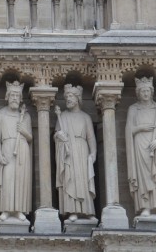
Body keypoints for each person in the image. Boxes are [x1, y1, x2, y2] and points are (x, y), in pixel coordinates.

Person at [125, 77, 156, 218]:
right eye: (142, 91)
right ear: (138, 92)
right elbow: (128, 131)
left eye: (147, 91)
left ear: (152, 92)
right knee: (143, 176)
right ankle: (145, 207)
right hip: (139, 145)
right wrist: (140, 128)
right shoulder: (133, 109)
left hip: (155, 145)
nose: (145, 93)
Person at [53, 84, 96, 221]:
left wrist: (93, 153)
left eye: (71, 96)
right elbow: (56, 135)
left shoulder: (85, 117)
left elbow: (91, 138)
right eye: (66, 97)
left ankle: (88, 212)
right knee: (70, 178)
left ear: (78, 98)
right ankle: (72, 211)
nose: (68, 99)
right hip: (68, 151)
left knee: (82, 180)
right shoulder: (63, 116)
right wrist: (59, 136)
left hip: (82, 151)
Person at [0, 81, 32, 222]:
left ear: (21, 98)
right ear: (7, 97)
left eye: (17, 95)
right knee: (8, 178)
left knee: (21, 179)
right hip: (7, 147)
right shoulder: (0, 114)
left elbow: (30, 137)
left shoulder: (25, 116)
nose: (14, 98)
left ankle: (19, 209)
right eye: (12, 95)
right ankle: (7, 210)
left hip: (22, 149)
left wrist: (23, 131)